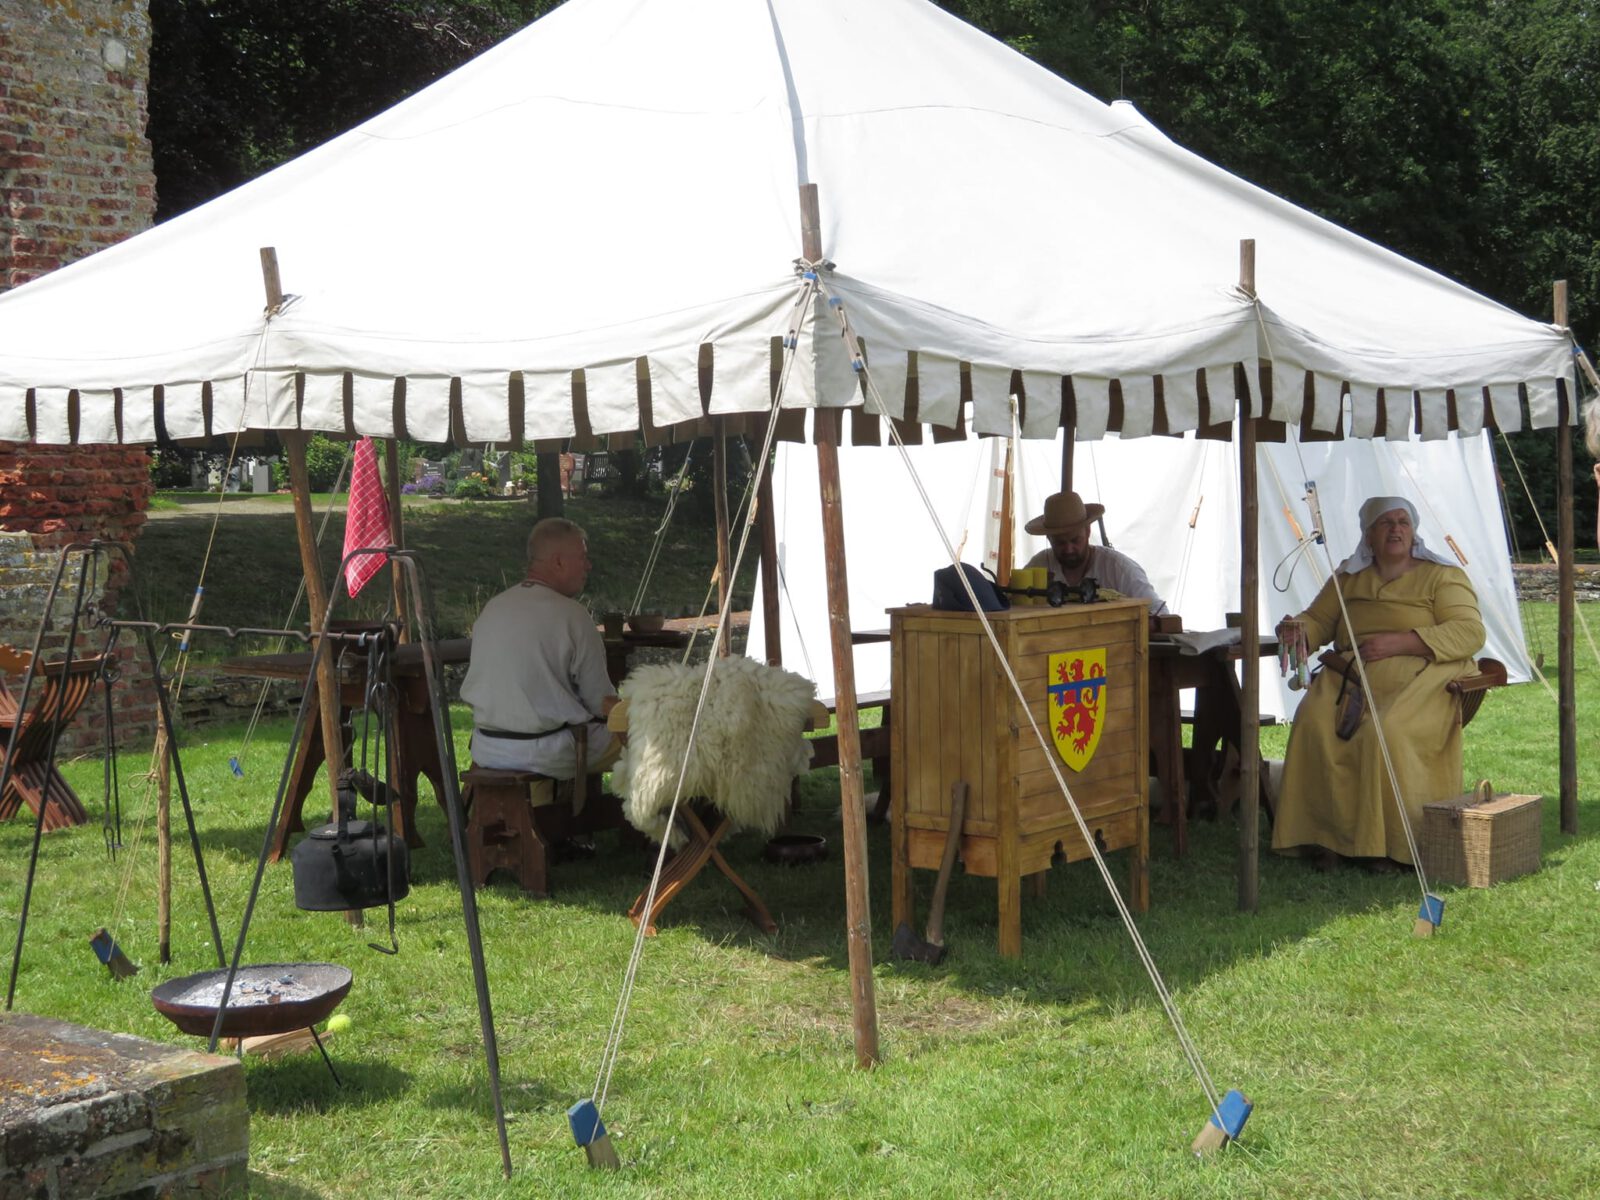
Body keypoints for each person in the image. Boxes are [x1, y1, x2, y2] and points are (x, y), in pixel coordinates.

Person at [1271, 496, 1485, 871]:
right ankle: (1326, 838)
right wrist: (1298, 629)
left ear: (1414, 530)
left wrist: (1401, 642)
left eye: (1403, 521)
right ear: (1368, 535)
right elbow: (1319, 620)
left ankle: (1393, 846)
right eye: (1385, 523)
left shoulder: (1442, 575)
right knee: (1313, 724)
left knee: (1388, 732)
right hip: (1351, 677)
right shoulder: (1349, 577)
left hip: (1423, 677)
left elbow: (1469, 632)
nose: (1396, 529)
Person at [461, 517, 621, 781]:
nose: (588, 566)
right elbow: (600, 702)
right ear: (559, 562)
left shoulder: (493, 608)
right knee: (648, 740)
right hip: (549, 752)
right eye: (583, 557)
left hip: (488, 749)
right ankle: (651, 817)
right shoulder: (573, 615)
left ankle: (557, 813)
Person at [1023, 490, 1170, 616]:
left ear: (1088, 531)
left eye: (1075, 540)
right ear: (1049, 539)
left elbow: (1160, 613)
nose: (1069, 549)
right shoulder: (1039, 565)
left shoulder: (1118, 568)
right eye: (1060, 543)